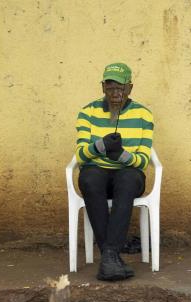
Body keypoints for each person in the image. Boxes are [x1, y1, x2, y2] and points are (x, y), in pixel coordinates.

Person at [74, 62, 154, 281]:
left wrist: (120, 154)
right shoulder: (87, 112)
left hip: (128, 173)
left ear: (130, 88)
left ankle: (108, 257)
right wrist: (100, 146)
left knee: (128, 180)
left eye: (120, 88)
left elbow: (142, 161)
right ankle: (111, 258)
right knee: (89, 179)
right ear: (102, 88)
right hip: (97, 171)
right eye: (110, 88)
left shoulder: (144, 115)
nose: (115, 94)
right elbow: (81, 156)